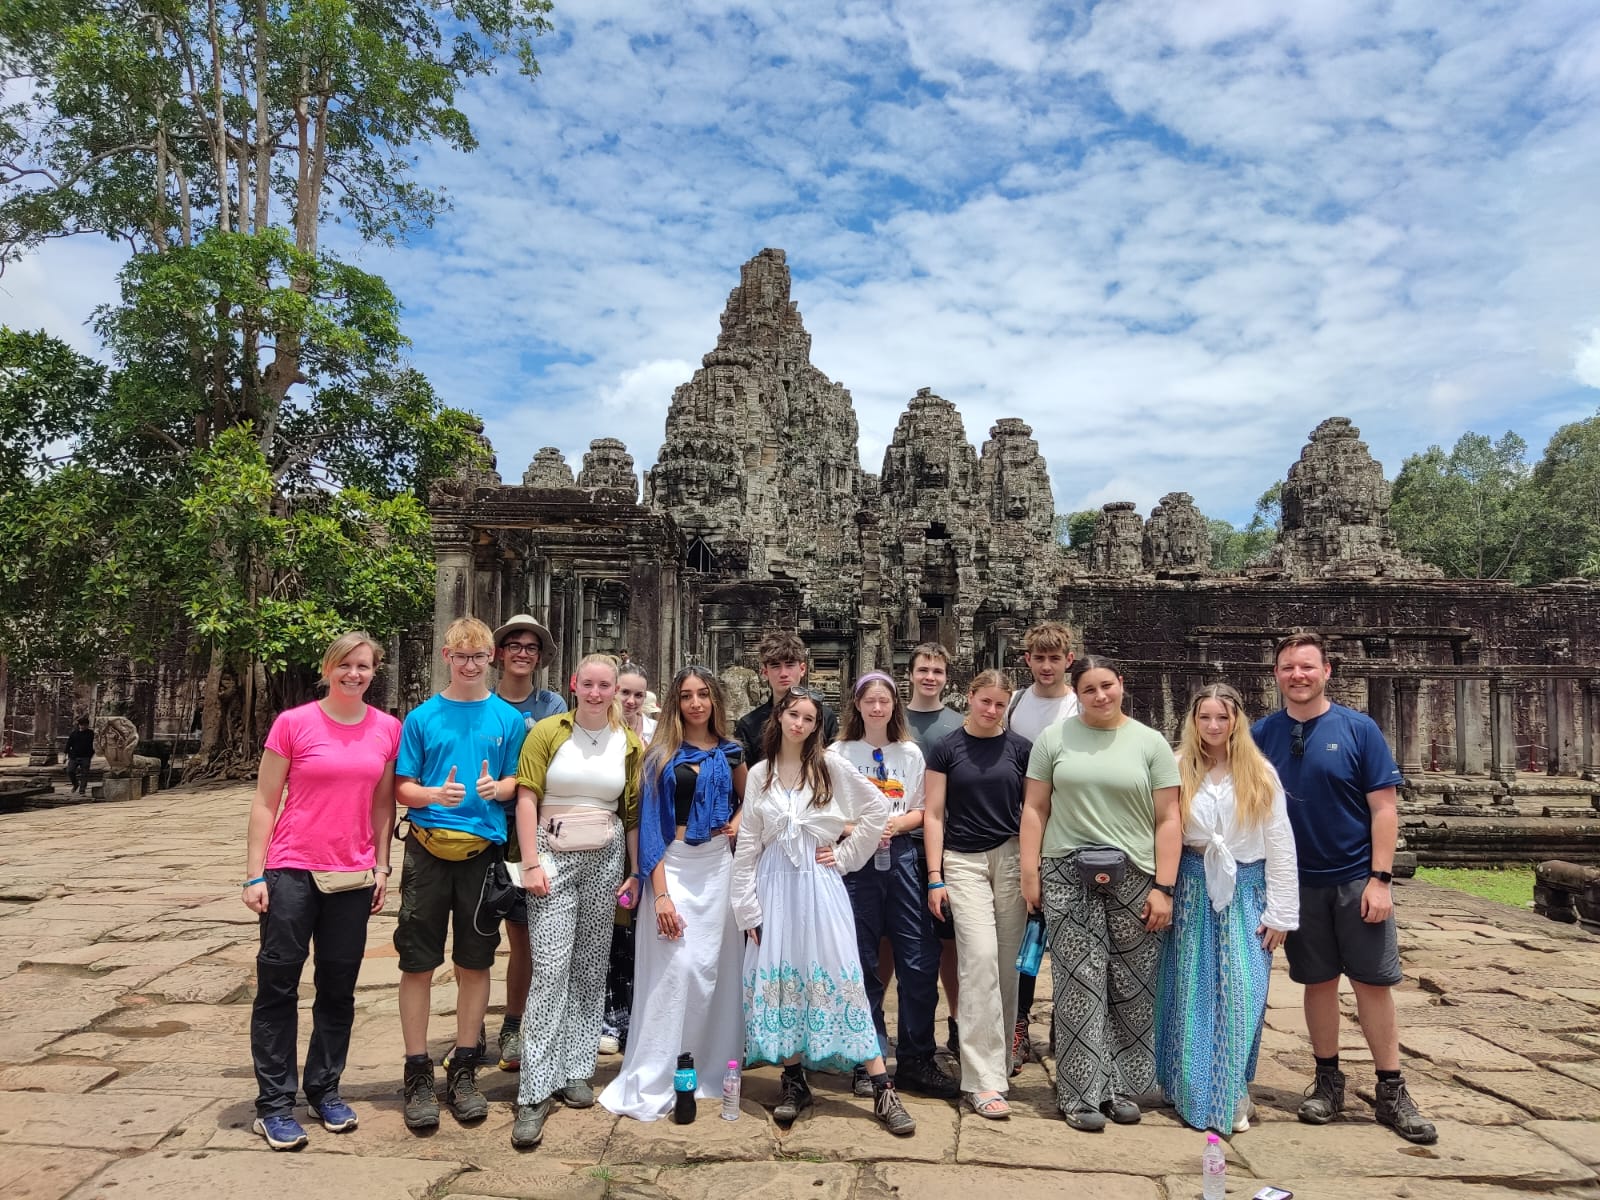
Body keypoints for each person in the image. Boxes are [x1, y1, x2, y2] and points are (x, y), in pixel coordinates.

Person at [1251, 631, 1437, 1144]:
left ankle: (1391, 1087)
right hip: (1296, 882)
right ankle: (1328, 1079)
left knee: (1373, 982)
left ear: (1327, 671)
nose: (1298, 676)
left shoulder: (1358, 729)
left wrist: (1381, 879)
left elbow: (1384, 808)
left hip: (1356, 878)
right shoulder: (1261, 734)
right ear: (1276, 675)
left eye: (1307, 667)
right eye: (1288, 667)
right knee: (1317, 981)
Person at [241, 632, 401, 1150]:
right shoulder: (294, 723)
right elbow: (266, 802)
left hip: (351, 875)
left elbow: (382, 805)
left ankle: (325, 1088)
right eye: (345, 665)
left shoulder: (387, 729)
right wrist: (254, 873)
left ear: (374, 672)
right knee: (279, 984)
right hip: (291, 869)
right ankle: (274, 1103)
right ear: (328, 667)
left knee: (338, 987)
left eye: (364, 667)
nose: (354, 674)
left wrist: (382, 866)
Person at [732, 688, 917, 1135]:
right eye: (794, 715)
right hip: (774, 885)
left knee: (839, 973)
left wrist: (848, 855)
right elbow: (749, 844)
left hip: (820, 883)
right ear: (780, 717)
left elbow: (876, 810)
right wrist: (746, 908)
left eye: (810, 719)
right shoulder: (760, 774)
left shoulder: (830, 766)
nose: (800, 724)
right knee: (785, 974)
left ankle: (880, 1086)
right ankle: (794, 1081)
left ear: (817, 727)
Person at [1020, 654, 1181, 1132]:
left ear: (1121, 684)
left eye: (1107, 686)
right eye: (1089, 689)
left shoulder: (1150, 743)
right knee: (1078, 983)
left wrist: (1164, 887)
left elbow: (1169, 818)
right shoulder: (1054, 739)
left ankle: (1119, 1086)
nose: (1100, 696)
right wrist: (1031, 873)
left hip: (1136, 873)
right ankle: (1079, 1094)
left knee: (1132, 984)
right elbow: (1035, 808)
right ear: (1077, 693)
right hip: (1067, 870)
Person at [394, 617, 526, 1131]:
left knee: (475, 961)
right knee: (417, 962)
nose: (470, 665)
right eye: (460, 656)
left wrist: (502, 788)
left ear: (491, 658)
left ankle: (465, 1065)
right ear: (446, 657)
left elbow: (519, 777)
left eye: (478, 656)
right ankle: (417, 1070)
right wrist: (433, 795)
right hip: (427, 849)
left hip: (482, 856)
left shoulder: (506, 719)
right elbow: (402, 786)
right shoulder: (423, 718)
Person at [510, 653, 644, 1149]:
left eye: (604, 685)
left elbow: (630, 813)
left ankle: (577, 1068)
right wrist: (529, 862)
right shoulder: (548, 732)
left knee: (590, 968)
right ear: (573, 684)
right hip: (551, 851)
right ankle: (533, 1089)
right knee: (549, 969)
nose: (595, 692)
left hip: (605, 856)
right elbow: (527, 796)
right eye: (587, 683)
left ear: (616, 691)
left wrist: (633, 873)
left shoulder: (628, 742)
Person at [600, 665, 746, 1120]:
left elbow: (754, 801)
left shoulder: (732, 752)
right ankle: (659, 1070)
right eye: (687, 696)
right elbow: (650, 829)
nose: (696, 703)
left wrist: (738, 822)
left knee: (714, 974)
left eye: (704, 694)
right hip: (674, 863)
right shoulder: (660, 755)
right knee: (675, 970)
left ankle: (705, 1071)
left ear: (715, 701)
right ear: (675, 703)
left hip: (719, 865)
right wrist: (659, 894)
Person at [1156, 683, 1298, 1134]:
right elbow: (1161, 829)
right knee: (1191, 992)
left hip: (1248, 888)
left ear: (1236, 721)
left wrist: (1281, 912)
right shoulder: (1179, 768)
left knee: (1241, 993)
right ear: (1193, 722)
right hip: (1194, 886)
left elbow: (1280, 843)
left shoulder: (1260, 772)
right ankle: (1197, 1091)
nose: (1214, 726)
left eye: (1222, 718)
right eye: (1205, 718)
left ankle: (1230, 1085)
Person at [833, 671, 958, 1100]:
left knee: (919, 959)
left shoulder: (909, 753)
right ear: (857, 706)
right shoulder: (838, 753)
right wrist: (863, 829)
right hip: (855, 863)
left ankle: (917, 1057)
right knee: (861, 960)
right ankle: (866, 1058)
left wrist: (890, 824)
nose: (877, 708)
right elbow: (828, 813)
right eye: (869, 701)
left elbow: (923, 809)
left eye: (884, 701)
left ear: (894, 706)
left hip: (902, 855)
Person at [924, 669, 1032, 1120]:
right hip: (962, 860)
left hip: (1009, 858)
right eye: (984, 701)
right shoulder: (946, 748)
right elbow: (933, 813)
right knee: (979, 960)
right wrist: (935, 876)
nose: (991, 710)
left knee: (1007, 967)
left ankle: (999, 1063)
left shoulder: (1021, 749)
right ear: (969, 698)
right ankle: (980, 1078)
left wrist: (1032, 869)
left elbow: (1033, 812)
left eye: (999, 704)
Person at [489, 615, 567, 1073]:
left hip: (533, 833)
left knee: (525, 936)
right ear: (499, 653)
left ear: (540, 658)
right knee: (475, 940)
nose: (522, 652)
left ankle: (515, 1024)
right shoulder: (484, 702)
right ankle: (472, 1026)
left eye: (531, 647)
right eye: (514, 645)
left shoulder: (550, 703)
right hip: (484, 828)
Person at [1004, 620, 1081, 1070]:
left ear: (1068, 660)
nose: (1047, 666)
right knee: (1027, 935)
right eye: (1039, 658)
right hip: (1022, 827)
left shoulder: (1080, 705)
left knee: (1073, 937)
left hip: (1070, 831)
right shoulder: (1015, 704)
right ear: (1028, 660)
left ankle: (1068, 1028)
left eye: (1055, 658)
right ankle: (1018, 1025)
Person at [903, 642, 965, 1056]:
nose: (929, 677)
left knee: (950, 940)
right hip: (897, 841)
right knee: (890, 941)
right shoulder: (892, 718)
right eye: (923, 669)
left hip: (947, 841)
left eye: (937, 672)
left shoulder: (958, 724)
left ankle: (958, 1023)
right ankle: (881, 1027)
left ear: (946, 678)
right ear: (910, 673)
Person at [599, 660, 656, 1056]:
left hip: (648, 845)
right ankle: (610, 1018)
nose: (631, 700)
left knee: (641, 932)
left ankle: (639, 1016)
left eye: (638, 694)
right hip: (608, 846)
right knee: (613, 931)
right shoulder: (599, 732)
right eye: (625, 692)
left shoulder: (657, 734)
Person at [734, 629, 839, 765]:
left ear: (802, 669)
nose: (783, 673)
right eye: (776, 666)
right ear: (765, 672)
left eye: (789, 665)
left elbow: (835, 769)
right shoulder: (749, 725)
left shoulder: (825, 717)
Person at [66, 715, 95, 795]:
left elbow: (94, 745)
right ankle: (75, 784)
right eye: (81, 725)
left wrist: (91, 754)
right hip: (74, 756)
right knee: (70, 771)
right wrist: (65, 755)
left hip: (86, 756)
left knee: (84, 773)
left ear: (87, 725)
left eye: (84, 725)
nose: (82, 726)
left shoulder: (91, 734)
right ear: (79, 725)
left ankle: (82, 789)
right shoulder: (74, 734)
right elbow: (68, 744)